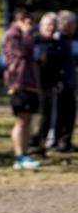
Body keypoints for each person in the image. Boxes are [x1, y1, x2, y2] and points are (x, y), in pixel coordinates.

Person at [3, 6, 41, 169]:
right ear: (19, 19)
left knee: (28, 119)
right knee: (21, 120)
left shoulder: (24, 35)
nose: (30, 24)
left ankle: (25, 154)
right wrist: (26, 33)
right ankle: (19, 156)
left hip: (29, 83)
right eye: (27, 20)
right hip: (18, 82)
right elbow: (22, 52)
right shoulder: (13, 35)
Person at [31, 12, 68, 154]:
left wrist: (58, 79)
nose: (50, 28)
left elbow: (58, 64)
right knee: (36, 117)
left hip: (49, 85)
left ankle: (41, 145)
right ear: (41, 26)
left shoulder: (56, 43)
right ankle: (32, 144)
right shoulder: (34, 41)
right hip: (34, 85)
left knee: (46, 117)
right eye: (48, 25)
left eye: (53, 25)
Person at [54, 10, 76, 151]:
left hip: (69, 83)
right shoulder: (58, 39)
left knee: (70, 113)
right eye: (74, 23)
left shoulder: (66, 39)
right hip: (61, 83)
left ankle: (65, 141)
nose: (76, 27)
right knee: (62, 114)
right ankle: (60, 141)